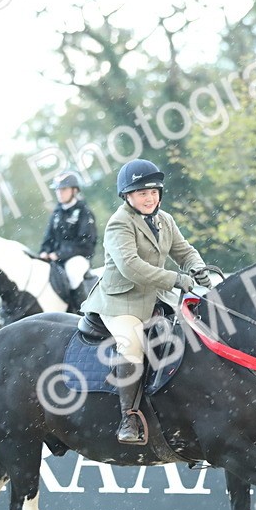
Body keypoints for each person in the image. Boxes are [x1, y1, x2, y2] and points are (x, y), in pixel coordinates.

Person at [80, 159, 212, 444]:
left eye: (153, 192)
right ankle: (128, 418)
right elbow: (131, 266)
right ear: (127, 196)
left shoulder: (165, 220)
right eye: (142, 193)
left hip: (156, 298)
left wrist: (197, 267)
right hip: (121, 301)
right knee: (133, 343)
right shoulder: (119, 223)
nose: (149, 198)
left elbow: (184, 250)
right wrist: (176, 279)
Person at [39, 171, 98, 312]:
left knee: (73, 273)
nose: (60, 193)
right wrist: (43, 252)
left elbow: (85, 245)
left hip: (78, 258)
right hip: (57, 258)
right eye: (58, 190)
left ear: (74, 190)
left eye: (63, 189)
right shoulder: (56, 213)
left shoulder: (84, 212)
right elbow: (48, 238)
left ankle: (82, 312)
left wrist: (59, 254)